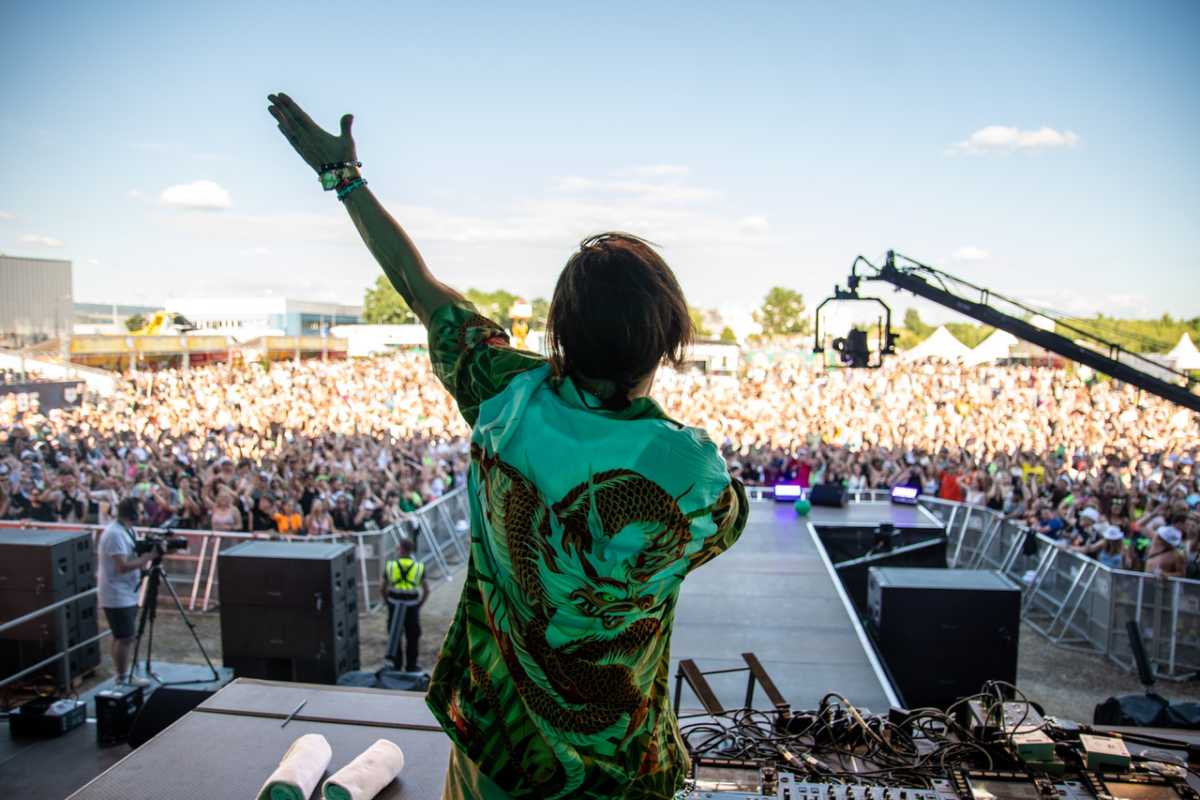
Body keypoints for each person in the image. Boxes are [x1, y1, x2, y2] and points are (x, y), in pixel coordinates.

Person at [268, 92, 748, 799]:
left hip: (497, 745)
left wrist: (347, 181)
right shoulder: (692, 470)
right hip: (620, 767)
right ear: (668, 339)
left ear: (561, 332)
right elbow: (723, 524)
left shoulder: (503, 393)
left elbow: (418, 286)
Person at [96, 497, 157, 686]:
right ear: (131, 513)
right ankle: (122, 677)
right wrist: (149, 557)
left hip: (127, 591)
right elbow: (122, 566)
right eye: (139, 511)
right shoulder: (114, 534)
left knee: (123, 636)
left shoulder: (127, 529)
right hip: (116, 594)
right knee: (125, 637)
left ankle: (123, 674)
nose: (142, 515)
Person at [381, 537, 428, 673]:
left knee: (395, 635)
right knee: (412, 636)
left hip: (394, 606)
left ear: (401, 549)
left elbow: (382, 587)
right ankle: (411, 666)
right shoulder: (419, 567)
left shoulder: (390, 566)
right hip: (412, 607)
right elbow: (426, 590)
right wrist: (420, 604)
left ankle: (396, 665)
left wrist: (386, 601)